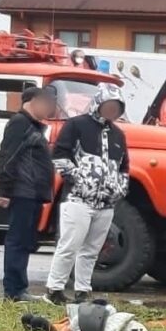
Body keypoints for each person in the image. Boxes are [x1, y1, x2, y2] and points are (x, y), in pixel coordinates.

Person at [43, 84, 130, 305]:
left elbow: (124, 167)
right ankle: (54, 288)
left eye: (117, 108)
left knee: (92, 250)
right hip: (77, 199)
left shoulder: (119, 135)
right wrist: (78, 179)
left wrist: (120, 188)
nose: (112, 111)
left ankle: (83, 290)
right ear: (99, 103)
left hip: (106, 204)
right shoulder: (76, 125)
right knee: (69, 244)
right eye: (109, 105)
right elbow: (60, 155)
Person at [0, 85, 57, 302]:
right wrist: (5, 190)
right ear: (32, 102)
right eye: (45, 103)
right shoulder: (19, 123)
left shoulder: (34, 126)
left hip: (33, 193)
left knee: (25, 241)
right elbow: (6, 156)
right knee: (17, 241)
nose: (49, 109)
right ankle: (14, 291)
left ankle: (19, 289)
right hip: (22, 191)